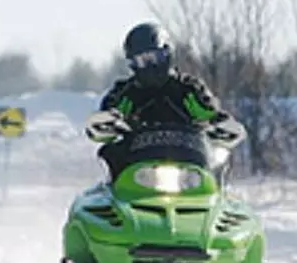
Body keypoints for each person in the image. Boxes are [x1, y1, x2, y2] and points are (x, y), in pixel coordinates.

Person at [85, 21, 245, 186]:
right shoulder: (125, 93)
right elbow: (106, 117)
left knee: (221, 187)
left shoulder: (188, 89)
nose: (148, 65)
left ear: (166, 53)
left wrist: (217, 122)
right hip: (136, 173)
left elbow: (209, 112)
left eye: (153, 57)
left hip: (188, 171)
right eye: (141, 60)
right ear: (132, 63)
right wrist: (108, 121)